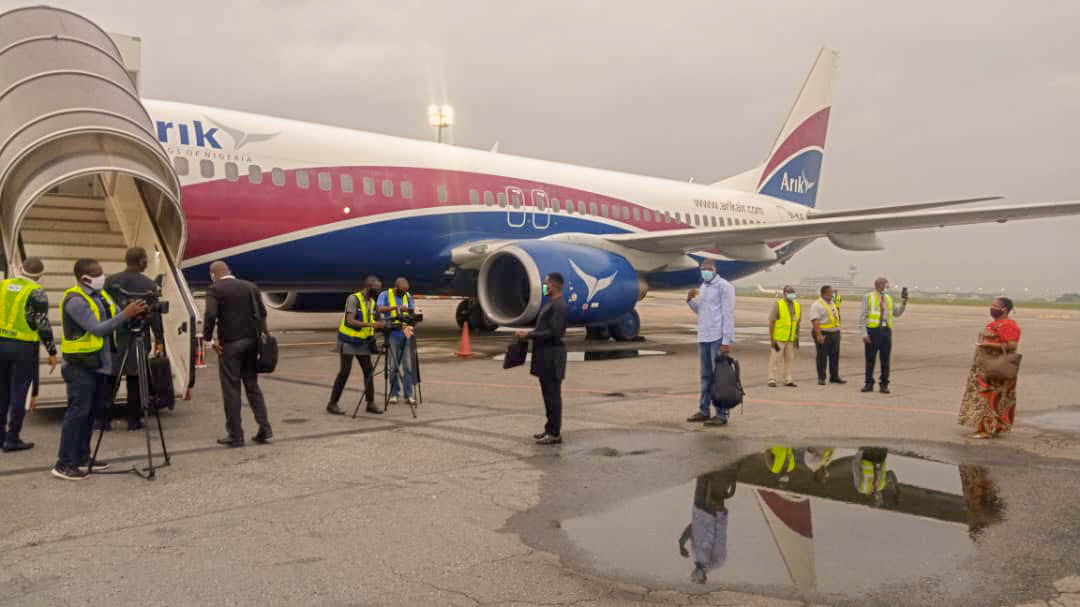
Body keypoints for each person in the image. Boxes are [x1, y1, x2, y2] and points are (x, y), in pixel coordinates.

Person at [53, 258, 145, 480]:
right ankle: (63, 463)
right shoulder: (75, 300)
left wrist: (132, 313)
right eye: (97, 273)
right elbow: (96, 329)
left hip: (99, 365)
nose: (101, 276)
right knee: (77, 414)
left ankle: (82, 457)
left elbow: (115, 318)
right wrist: (126, 315)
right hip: (80, 366)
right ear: (85, 278)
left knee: (90, 414)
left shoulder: (101, 295)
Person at [203, 261, 272, 447]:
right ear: (229, 271)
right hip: (252, 343)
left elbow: (210, 315)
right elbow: (262, 313)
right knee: (252, 386)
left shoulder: (215, 289)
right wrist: (264, 337)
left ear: (213, 274)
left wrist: (208, 339)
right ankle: (264, 428)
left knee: (231, 390)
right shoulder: (250, 286)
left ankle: (235, 434)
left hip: (231, 346)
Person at [104, 247, 165, 432]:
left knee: (110, 380)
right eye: (146, 260)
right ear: (140, 261)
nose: (147, 263)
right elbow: (155, 314)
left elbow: (104, 307)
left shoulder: (111, 281)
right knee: (135, 379)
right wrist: (159, 339)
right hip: (139, 335)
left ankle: (103, 420)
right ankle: (134, 420)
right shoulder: (149, 284)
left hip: (114, 335)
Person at [0, 258, 58, 452]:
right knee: (19, 392)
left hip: (1, 343)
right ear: (41, 275)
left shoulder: (4, 285)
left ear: (21, 269)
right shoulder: (37, 293)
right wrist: (51, 350)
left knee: (2, 390)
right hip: (23, 348)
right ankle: (12, 437)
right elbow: (42, 325)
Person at [957, 297, 1021, 439]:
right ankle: (992, 427)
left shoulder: (1008, 325)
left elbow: (1012, 345)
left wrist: (988, 345)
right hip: (986, 365)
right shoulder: (995, 323)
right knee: (988, 397)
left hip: (996, 367)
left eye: (995, 305)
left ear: (1005, 309)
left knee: (990, 397)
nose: (992, 308)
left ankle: (986, 429)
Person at [516, 272, 567, 445]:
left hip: (552, 357)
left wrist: (529, 335)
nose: (544, 287)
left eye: (546, 284)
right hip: (545, 356)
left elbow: (555, 333)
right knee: (548, 396)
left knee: (553, 396)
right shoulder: (551, 304)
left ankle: (554, 433)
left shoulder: (558, 306)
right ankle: (549, 428)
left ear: (553, 285)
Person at [685, 259, 736, 426]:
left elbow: (728, 314)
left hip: (717, 337)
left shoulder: (724, 286)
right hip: (704, 337)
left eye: (708, 269)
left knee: (719, 378)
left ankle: (721, 414)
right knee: (705, 376)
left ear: (715, 270)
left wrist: (726, 340)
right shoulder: (704, 287)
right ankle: (704, 410)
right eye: (703, 269)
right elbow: (701, 311)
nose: (705, 271)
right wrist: (690, 301)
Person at [328, 275, 385, 415]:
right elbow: (350, 321)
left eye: (379, 290)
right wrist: (371, 324)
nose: (377, 292)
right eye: (376, 289)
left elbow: (378, 319)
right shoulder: (354, 299)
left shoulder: (372, 302)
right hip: (347, 341)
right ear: (368, 287)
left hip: (362, 343)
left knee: (368, 371)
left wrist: (388, 324)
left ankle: (370, 403)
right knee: (344, 372)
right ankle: (332, 404)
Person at [679, 464, 738, 584]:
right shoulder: (716, 562)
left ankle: (712, 452)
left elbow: (693, 528)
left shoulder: (696, 556)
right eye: (697, 579)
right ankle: (731, 458)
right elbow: (720, 537)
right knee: (721, 473)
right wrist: (720, 513)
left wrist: (681, 542)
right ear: (703, 578)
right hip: (711, 510)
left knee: (704, 470)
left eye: (692, 577)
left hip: (698, 507)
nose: (693, 575)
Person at [858, 277, 907, 394]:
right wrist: (864, 333)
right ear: (878, 285)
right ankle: (868, 383)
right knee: (870, 359)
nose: (887, 286)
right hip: (873, 331)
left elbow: (897, 313)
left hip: (886, 331)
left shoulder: (889, 298)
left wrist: (904, 302)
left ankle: (884, 384)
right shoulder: (868, 297)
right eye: (886, 284)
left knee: (885, 359)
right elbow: (862, 317)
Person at [377, 277, 418, 405]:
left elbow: (412, 310)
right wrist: (395, 308)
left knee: (408, 366)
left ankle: (409, 394)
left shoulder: (408, 295)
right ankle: (394, 393)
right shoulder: (385, 294)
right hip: (392, 333)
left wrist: (411, 312)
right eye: (402, 292)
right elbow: (379, 309)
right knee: (393, 366)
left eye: (406, 292)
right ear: (396, 287)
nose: (404, 294)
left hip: (406, 332)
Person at [810, 285, 845, 386]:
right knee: (822, 356)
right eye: (831, 293)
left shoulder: (831, 303)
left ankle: (834, 376)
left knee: (835, 356)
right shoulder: (817, 305)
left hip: (835, 333)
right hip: (824, 333)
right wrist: (819, 335)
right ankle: (821, 378)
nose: (833, 294)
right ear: (825, 293)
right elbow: (815, 321)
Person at [767, 285, 801, 387]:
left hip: (791, 339)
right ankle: (771, 379)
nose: (792, 294)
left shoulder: (797, 305)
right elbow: (772, 322)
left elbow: (798, 323)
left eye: (793, 292)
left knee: (789, 359)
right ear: (785, 294)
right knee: (775, 359)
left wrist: (797, 337)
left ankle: (787, 379)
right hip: (779, 339)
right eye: (790, 293)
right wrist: (772, 338)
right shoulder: (778, 304)